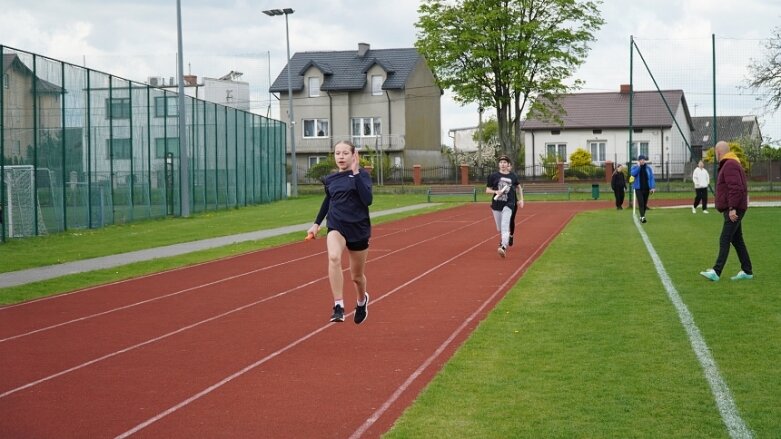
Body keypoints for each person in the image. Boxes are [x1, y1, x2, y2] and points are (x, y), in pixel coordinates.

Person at [307, 140, 372, 323]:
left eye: (345, 153)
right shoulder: (330, 179)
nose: (341, 157)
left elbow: (367, 200)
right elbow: (328, 200)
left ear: (353, 155)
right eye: (337, 153)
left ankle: (361, 301)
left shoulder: (363, 176)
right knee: (334, 257)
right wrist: (316, 223)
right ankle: (338, 306)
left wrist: (357, 172)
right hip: (337, 226)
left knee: (357, 277)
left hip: (358, 229)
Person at [699, 141, 753, 282]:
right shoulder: (732, 163)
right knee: (737, 239)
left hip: (735, 208)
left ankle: (716, 272)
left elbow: (735, 187)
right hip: (736, 207)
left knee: (725, 238)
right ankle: (747, 271)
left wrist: (732, 208)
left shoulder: (729, 165)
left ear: (718, 152)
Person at [486, 155, 524, 258]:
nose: (503, 164)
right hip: (497, 204)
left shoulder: (513, 176)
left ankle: (503, 246)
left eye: (505, 162)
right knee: (500, 228)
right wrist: (495, 191)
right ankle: (504, 240)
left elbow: (519, 187)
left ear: (508, 165)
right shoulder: (493, 176)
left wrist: (521, 199)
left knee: (505, 225)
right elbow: (487, 190)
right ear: (499, 165)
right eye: (501, 162)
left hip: (509, 203)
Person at [630, 154, 656, 223]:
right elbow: (633, 174)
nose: (642, 161)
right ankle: (642, 217)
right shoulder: (634, 167)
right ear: (638, 161)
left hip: (646, 188)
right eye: (641, 160)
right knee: (641, 203)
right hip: (638, 188)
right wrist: (638, 167)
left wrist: (652, 187)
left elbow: (651, 178)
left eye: (643, 159)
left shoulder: (648, 168)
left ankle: (642, 216)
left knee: (644, 203)